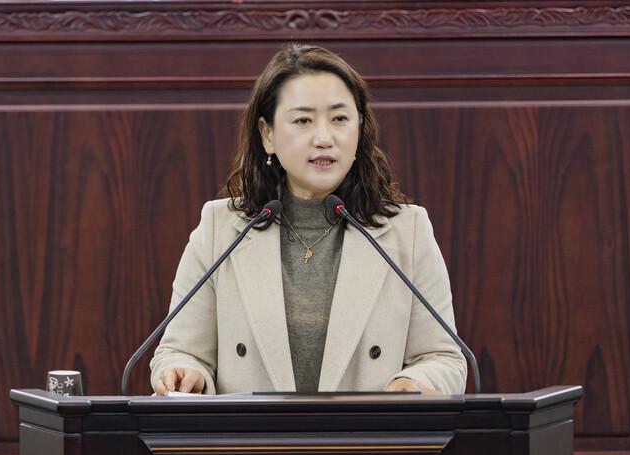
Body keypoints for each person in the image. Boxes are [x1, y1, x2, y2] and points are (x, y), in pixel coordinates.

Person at [150, 44, 467, 396]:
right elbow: (181, 351)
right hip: (249, 433)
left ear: (360, 128)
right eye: (303, 120)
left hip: (370, 431)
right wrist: (185, 373)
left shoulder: (408, 231)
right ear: (268, 134)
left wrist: (415, 383)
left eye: (340, 119)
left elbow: (443, 357)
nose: (324, 138)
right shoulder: (220, 229)